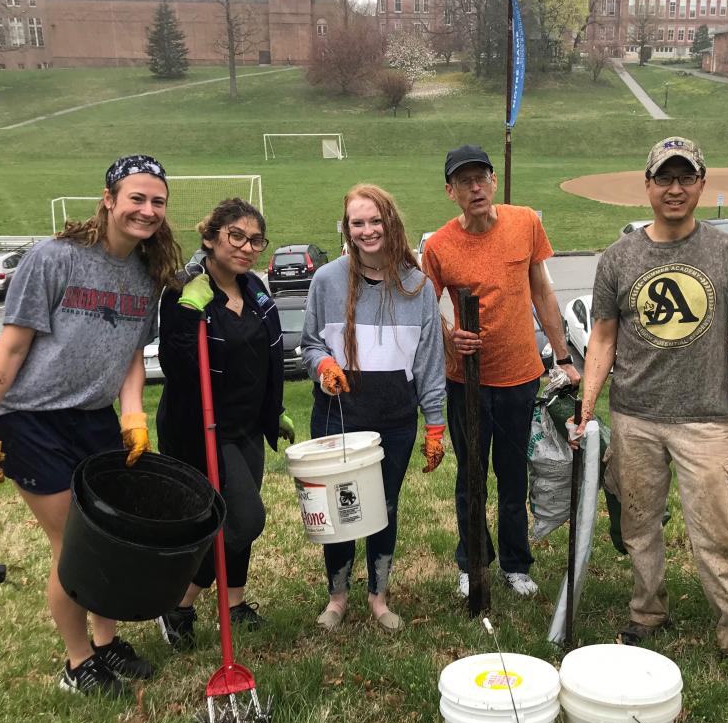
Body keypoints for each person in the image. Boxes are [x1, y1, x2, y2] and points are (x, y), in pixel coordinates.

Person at [0, 154, 179, 697]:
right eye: (136, 198)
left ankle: (104, 644)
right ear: (108, 199)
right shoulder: (53, 259)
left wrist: (132, 415)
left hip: (94, 420)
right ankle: (78, 663)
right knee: (77, 543)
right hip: (32, 420)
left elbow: (132, 351)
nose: (146, 210)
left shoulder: (146, 274)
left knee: (108, 538)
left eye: (157, 202)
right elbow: (10, 348)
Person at [575, 136, 728, 684]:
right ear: (647, 186)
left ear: (701, 185)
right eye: (664, 178)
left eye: (685, 178)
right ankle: (647, 610)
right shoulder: (619, 259)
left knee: (721, 531)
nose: (674, 188)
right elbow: (602, 338)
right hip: (635, 415)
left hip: (705, 418)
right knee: (640, 524)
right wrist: (587, 402)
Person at [421, 145, 579, 598]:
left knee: (513, 476)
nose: (475, 187)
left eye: (481, 178)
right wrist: (450, 334)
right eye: (464, 181)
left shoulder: (525, 222)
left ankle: (515, 563)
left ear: (492, 181)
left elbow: (542, 292)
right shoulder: (439, 246)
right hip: (464, 382)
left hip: (520, 377)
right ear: (450, 191)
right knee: (470, 475)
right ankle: (473, 563)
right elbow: (423, 309)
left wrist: (563, 357)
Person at [301, 184, 446, 633]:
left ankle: (379, 597)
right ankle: (338, 597)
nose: (367, 231)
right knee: (342, 512)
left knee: (384, 506)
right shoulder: (326, 280)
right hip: (338, 416)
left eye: (374, 221)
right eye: (357, 223)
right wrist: (324, 364)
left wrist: (435, 422)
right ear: (347, 228)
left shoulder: (417, 286)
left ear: (391, 223)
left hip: (395, 420)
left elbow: (429, 360)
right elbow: (308, 345)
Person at [154, 198, 295, 650]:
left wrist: (274, 411)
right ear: (211, 237)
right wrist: (189, 311)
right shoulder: (183, 290)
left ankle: (233, 603)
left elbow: (265, 359)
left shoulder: (254, 290)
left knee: (238, 513)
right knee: (243, 519)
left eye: (256, 239)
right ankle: (179, 602)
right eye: (236, 236)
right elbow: (176, 366)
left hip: (247, 427)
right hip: (201, 428)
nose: (247, 247)